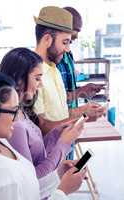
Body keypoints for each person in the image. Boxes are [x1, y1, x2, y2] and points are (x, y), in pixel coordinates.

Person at [0, 71, 87, 200]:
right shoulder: (2, 173)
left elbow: (27, 187)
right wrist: (62, 192)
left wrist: (58, 175)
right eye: (13, 111)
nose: (15, 119)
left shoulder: (2, 141)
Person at [0, 47, 86, 180]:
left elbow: (38, 154)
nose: (40, 85)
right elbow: (32, 179)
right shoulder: (15, 126)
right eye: (37, 78)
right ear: (19, 78)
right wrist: (63, 144)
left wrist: (56, 133)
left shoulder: (22, 111)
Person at [33, 6, 105, 134]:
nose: (67, 50)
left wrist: (84, 110)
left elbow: (63, 113)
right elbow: (41, 127)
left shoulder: (53, 68)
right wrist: (81, 115)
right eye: (65, 42)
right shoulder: (33, 74)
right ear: (47, 39)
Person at [57, 7, 105, 159]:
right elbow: (55, 100)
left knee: (68, 167)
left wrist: (83, 91)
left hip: (71, 124)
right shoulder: (52, 61)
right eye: (75, 30)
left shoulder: (68, 55)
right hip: (58, 129)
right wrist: (80, 98)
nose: (77, 36)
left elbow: (66, 92)